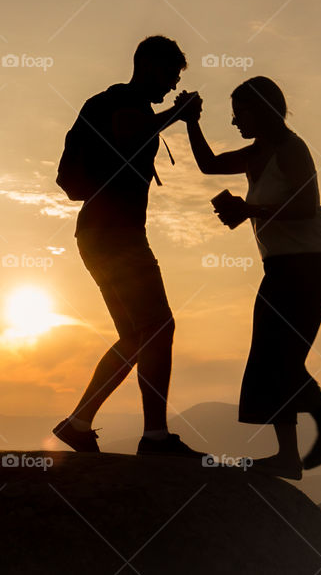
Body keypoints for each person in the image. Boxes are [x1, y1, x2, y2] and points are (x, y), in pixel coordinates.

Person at [184, 76, 321, 479]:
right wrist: (190, 122)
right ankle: (296, 450)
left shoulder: (292, 150)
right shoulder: (256, 153)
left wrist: (251, 211)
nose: (234, 121)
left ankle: (307, 443)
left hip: (309, 263)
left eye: (239, 113)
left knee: (278, 355)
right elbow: (209, 165)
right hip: (283, 265)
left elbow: (306, 206)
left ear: (261, 110)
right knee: (274, 355)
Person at [52, 36, 204, 457]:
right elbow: (127, 135)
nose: (173, 84)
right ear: (149, 65)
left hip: (101, 234)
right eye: (170, 74)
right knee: (158, 327)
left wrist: (176, 117)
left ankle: (78, 423)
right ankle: (155, 437)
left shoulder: (126, 105)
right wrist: (177, 114)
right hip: (115, 234)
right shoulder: (123, 101)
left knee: (137, 334)